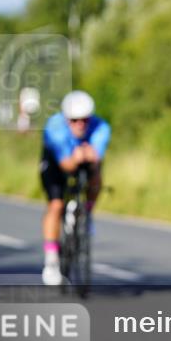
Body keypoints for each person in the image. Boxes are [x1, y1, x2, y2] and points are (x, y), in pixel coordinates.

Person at [39, 90, 111, 285]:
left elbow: (96, 157)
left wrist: (90, 158)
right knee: (56, 205)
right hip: (57, 163)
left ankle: (86, 212)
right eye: (74, 120)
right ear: (66, 119)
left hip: (84, 158)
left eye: (85, 120)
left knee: (96, 174)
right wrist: (77, 157)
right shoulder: (54, 128)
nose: (80, 124)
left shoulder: (101, 127)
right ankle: (51, 260)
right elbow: (66, 165)